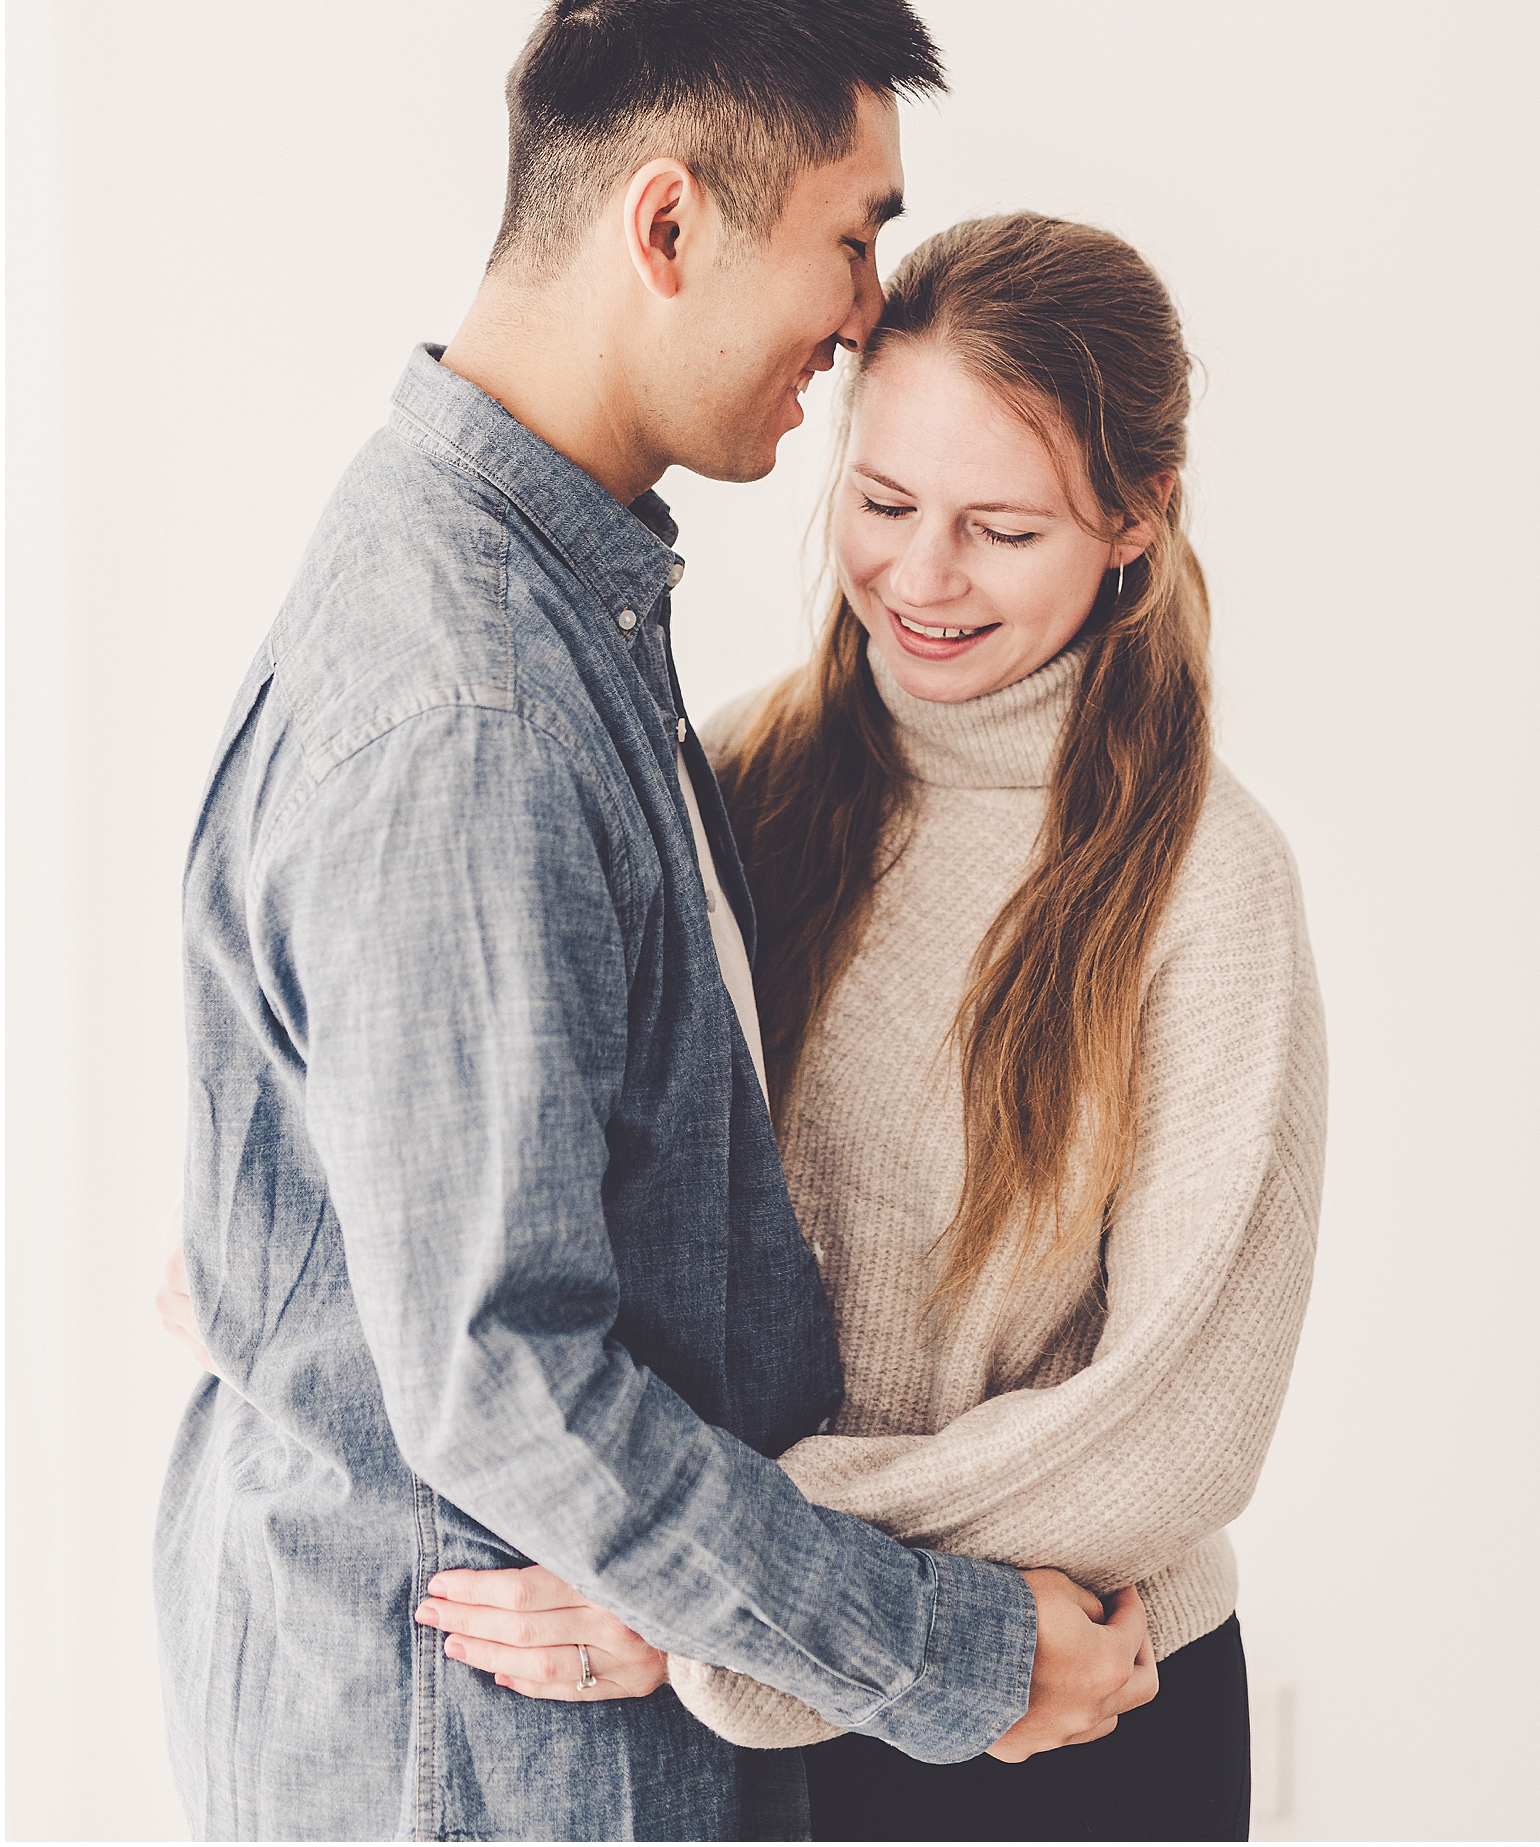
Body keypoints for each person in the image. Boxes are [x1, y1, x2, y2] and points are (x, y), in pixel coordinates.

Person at [156, 0, 1158, 1845]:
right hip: (482, 1765)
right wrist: (954, 1654)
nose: (872, 312)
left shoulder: (537, 592)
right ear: (673, 227)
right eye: (855, 235)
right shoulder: (474, 704)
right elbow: (504, 1385)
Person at [416, 213, 1327, 1843]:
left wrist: (711, 1576)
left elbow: (1176, 1432)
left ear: (1135, 522)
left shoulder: (1210, 887)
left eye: (1001, 528)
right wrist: (728, 1587)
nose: (920, 575)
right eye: (885, 501)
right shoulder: (744, 774)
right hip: (777, 1707)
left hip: (1070, 1716)